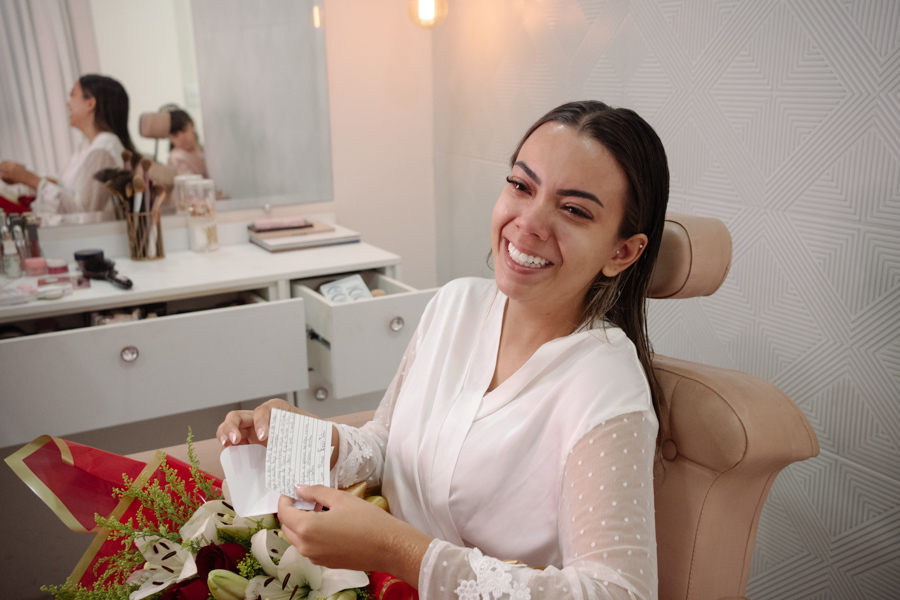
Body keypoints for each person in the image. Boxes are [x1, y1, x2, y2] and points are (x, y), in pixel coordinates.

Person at [217, 100, 669, 600]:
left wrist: (398, 551)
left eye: (574, 210)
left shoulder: (604, 383)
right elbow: (387, 443)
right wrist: (302, 440)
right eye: (521, 185)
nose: (529, 221)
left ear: (621, 252)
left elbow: (619, 592)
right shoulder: (455, 304)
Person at [0, 74, 136, 218]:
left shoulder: (104, 148)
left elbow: (84, 212)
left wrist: (30, 179)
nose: (68, 103)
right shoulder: (86, 147)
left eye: (72, 95)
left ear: (90, 103)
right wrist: (23, 177)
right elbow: (68, 191)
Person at [167, 108, 208, 177]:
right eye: (175, 135)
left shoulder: (206, 150)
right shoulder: (176, 158)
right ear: (170, 139)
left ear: (192, 124)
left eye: (184, 130)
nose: (183, 138)